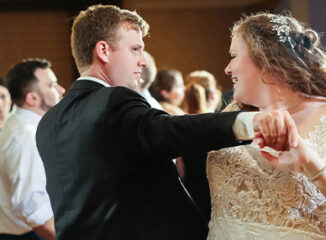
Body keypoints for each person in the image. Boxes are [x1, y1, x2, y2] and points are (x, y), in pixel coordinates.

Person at [35, 5, 298, 240]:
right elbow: (166, 130)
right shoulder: (113, 99)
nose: (142, 61)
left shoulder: (48, 123)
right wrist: (249, 122)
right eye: (135, 49)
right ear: (103, 50)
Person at [206, 13, 326, 240]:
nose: (227, 69)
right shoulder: (232, 117)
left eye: (233, 56)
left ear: (264, 57)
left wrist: (311, 164)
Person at [0, 58, 65, 240]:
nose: (61, 90)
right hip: (28, 234)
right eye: (52, 85)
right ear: (32, 98)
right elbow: (29, 203)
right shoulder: (25, 136)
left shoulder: (20, 123)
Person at [181, 70, 222, 220]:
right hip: (214, 200)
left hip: (190, 197)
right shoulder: (218, 126)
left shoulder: (180, 124)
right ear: (213, 95)